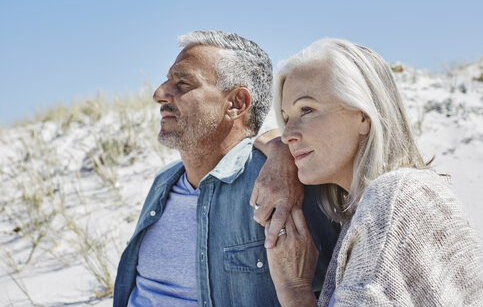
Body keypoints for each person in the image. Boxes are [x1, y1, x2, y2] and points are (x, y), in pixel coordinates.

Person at [113, 30, 339, 307]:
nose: (159, 94)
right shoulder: (164, 181)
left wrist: (282, 152)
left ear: (236, 103)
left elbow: (335, 287)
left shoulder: (284, 180)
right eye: (167, 80)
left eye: (183, 83)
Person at [260, 38, 483, 306]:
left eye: (307, 110)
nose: (288, 135)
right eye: (286, 118)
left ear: (364, 116)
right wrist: (275, 150)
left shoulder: (394, 198)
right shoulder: (373, 208)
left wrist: (295, 288)